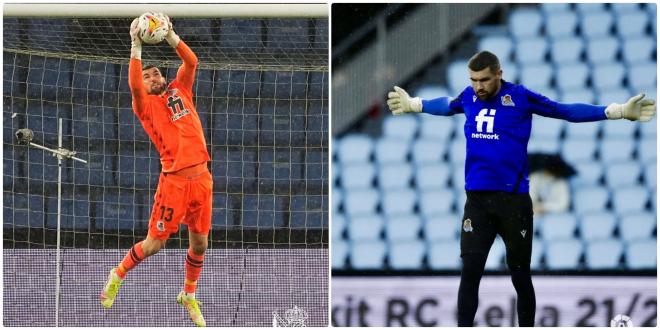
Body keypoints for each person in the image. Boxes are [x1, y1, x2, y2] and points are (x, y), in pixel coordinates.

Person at [386, 51, 656, 326]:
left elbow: (564, 110)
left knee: (519, 276)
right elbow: (447, 105)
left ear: (499, 74)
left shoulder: (520, 97)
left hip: (513, 203)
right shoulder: (469, 96)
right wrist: (415, 104)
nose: (479, 86)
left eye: (485, 80)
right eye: (474, 80)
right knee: (470, 271)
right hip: (477, 202)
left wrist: (616, 111)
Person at [100, 14, 212, 327]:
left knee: (200, 243)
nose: (153, 78)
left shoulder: (181, 90)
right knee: (154, 244)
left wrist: (171, 36)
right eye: (148, 76)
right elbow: (135, 85)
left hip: (202, 179)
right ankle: (117, 274)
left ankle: (188, 294)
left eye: (156, 74)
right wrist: (136, 45)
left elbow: (191, 63)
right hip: (174, 183)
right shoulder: (145, 107)